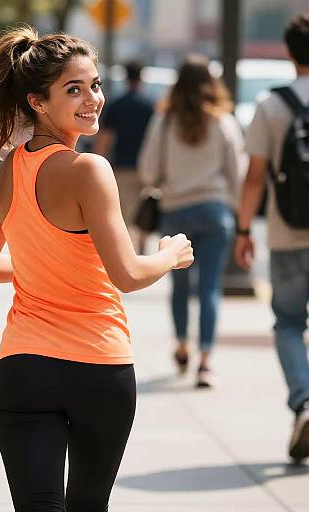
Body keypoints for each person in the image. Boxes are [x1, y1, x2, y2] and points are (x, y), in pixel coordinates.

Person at [0, 26, 193, 510]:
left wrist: (43, 265)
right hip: (98, 367)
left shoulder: (8, 171)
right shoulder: (89, 170)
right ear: (37, 102)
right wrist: (169, 256)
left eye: (95, 85)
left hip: (22, 369)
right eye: (74, 89)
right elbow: (127, 275)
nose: (92, 99)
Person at [139, 54, 244, 388]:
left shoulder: (164, 121)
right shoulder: (222, 122)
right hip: (215, 211)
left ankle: (182, 344)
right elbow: (236, 171)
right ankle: (206, 361)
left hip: (176, 210)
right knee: (210, 287)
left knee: (180, 286)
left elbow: (148, 169)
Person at [235, 13, 309, 462]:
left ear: (288, 52)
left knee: (287, 322)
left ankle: (303, 402)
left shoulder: (271, 104)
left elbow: (254, 177)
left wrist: (244, 229)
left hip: (287, 232)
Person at [93, 60, 154, 252]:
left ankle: (129, 249)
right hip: (148, 167)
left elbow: (106, 138)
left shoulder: (117, 105)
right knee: (145, 208)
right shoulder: (151, 105)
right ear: (142, 77)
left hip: (123, 166)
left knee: (125, 211)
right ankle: (142, 245)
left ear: (126, 78)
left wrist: (96, 161)